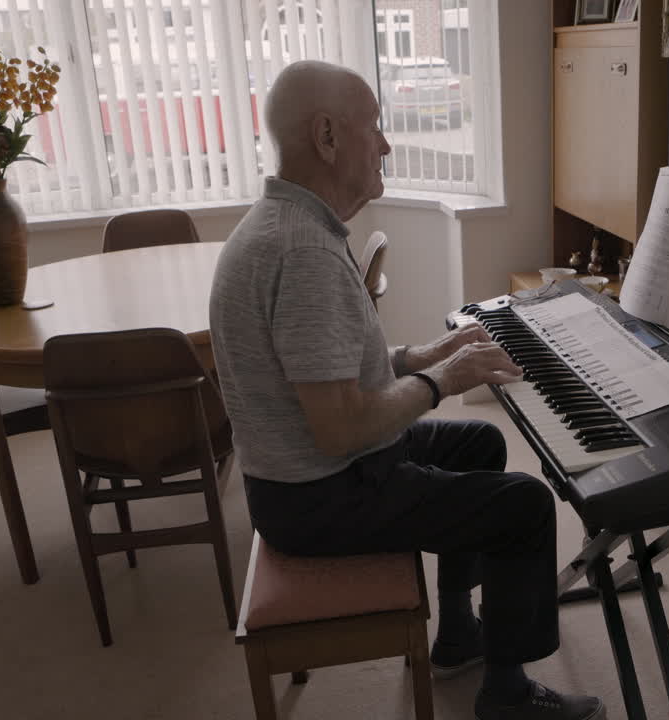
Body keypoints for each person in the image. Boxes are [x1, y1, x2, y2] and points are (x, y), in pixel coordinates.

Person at [209, 60, 605, 720]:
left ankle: (457, 634)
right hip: (320, 494)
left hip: (302, 476)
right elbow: (340, 427)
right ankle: (507, 697)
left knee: (478, 443)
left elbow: (333, 374)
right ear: (328, 136)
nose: (387, 146)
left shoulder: (282, 226)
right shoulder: (301, 252)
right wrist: (440, 380)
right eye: (376, 129)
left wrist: (424, 354)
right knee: (526, 506)